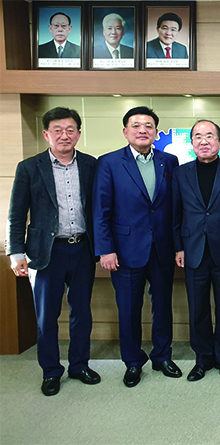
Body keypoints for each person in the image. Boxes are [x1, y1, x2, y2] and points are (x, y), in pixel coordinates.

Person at [6, 107, 98, 396]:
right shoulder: (29, 168)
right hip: (46, 252)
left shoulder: (91, 165)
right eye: (57, 130)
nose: (64, 135)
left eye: (70, 130)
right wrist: (16, 253)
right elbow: (16, 214)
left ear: (79, 134)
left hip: (82, 249)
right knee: (46, 317)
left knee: (81, 312)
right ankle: (50, 371)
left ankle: (79, 365)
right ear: (46, 134)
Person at [93, 106, 180, 388]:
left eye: (148, 126)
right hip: (125, 250)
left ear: (156, 132)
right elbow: (101, 210)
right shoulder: (109, 162)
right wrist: (105, 249)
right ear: (125, 131)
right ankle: (132, 362)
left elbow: (174, 208)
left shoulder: (169, 161)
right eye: (136, 125)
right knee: (129, 309)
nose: (143, 130)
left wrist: (178, 245)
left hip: (162, 248)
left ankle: (162, 356)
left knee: (162, 306)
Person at [172, 120, 220, 381]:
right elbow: (175, 213)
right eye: (198, 136)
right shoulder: (181, 173)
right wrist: (178, 247)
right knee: (197, 308)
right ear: (192, 143)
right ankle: (202, 359)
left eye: (209, 136)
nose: (203, 141)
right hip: (193, 250)